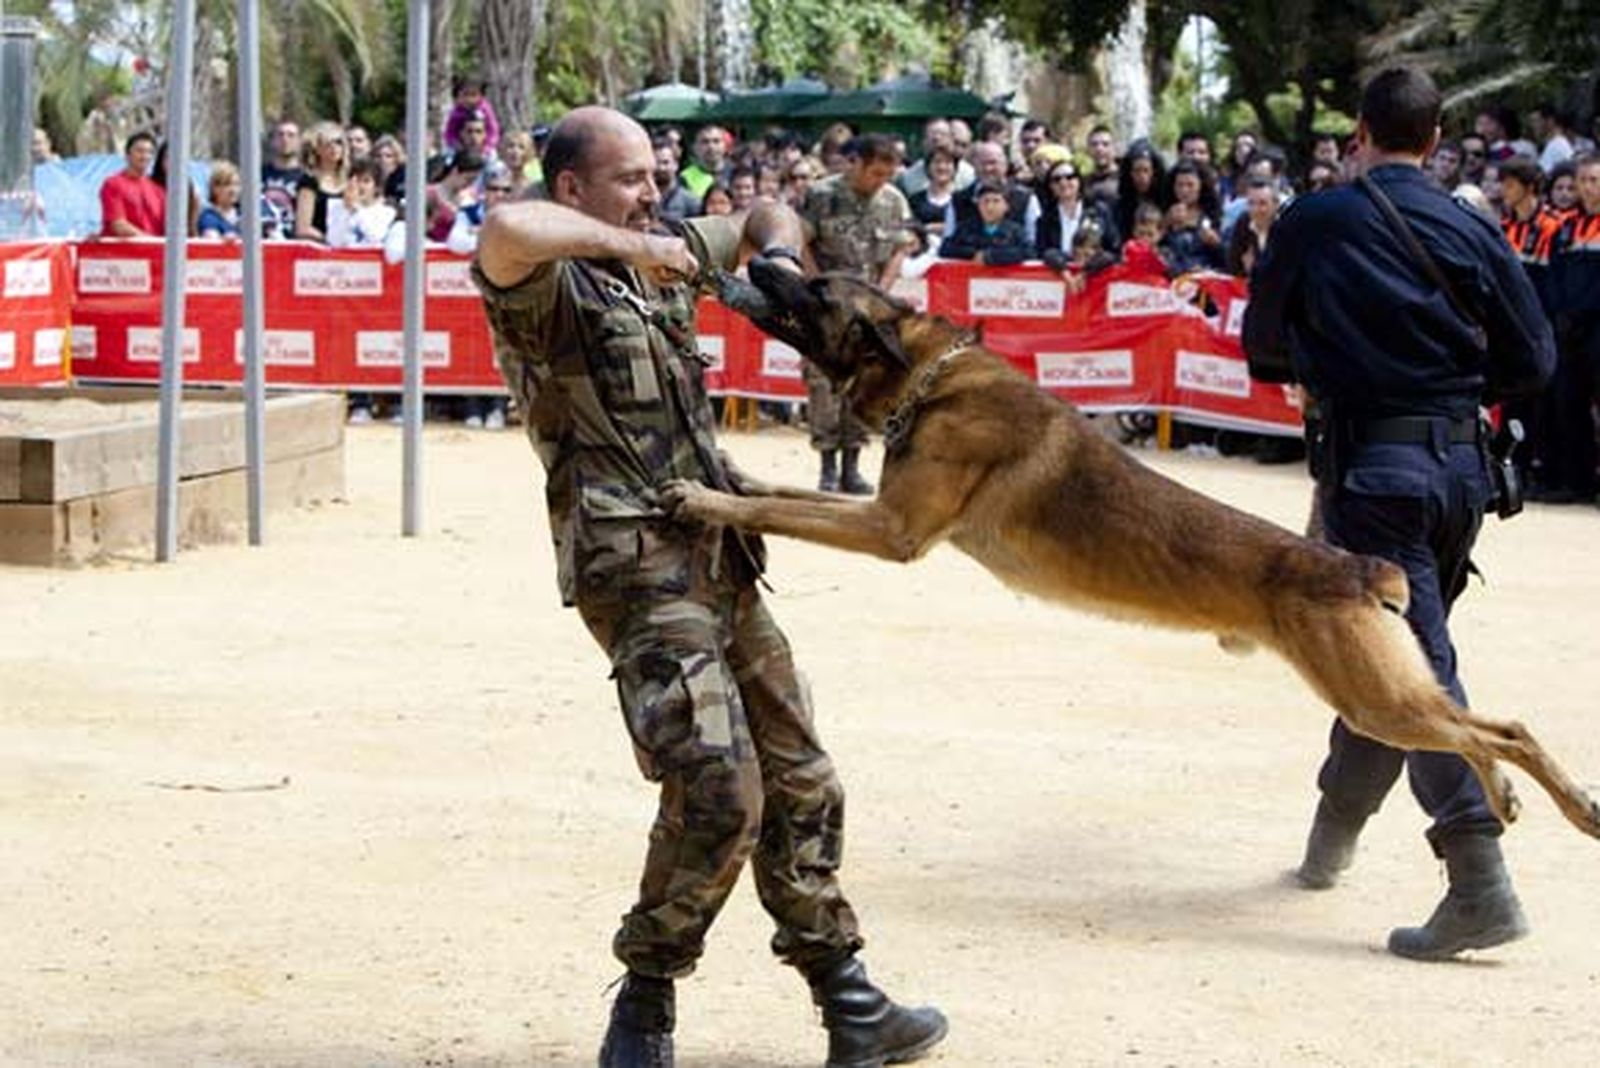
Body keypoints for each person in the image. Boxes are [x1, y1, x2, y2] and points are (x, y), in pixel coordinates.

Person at [471, 104, 947, 1068]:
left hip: (721, 553)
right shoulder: (546, 285)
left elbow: (766, 214)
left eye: (657, 176)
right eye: (631, 178)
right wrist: (637, 245)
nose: (655, 193)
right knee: (720, 789)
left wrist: (776, 258)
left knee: (802, 777)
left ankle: (847, 996)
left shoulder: (672, 244)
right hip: (636, 569)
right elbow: (504, 229)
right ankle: (645, 1003)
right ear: (573, 187)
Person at [1242, 65, 1556, 961]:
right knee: (1396, 658)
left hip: (1373, 475)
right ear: (1437, 136)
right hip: (1461, 475)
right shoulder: (1472, 223)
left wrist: (1335, 362)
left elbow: (1262, 346)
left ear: (1360, 132)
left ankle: (1478, 878)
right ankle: (1330, 841)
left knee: (1411, 677)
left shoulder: (1314, 219)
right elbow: (1533, 360)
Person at [800, 133, 912, 494]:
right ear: (856, 163)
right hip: (827, 309)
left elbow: (899, 249)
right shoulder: (821, 195)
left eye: (887, 175)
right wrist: (818, 286)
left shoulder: (893, 201)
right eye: (875, 172)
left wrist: (881, 293)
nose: (881, 181)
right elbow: (801, 242)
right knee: (823, 384)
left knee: (864, 382)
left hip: (868, 311)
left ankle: (852, 466)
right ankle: (827, 467)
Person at [1538, 152, 1600, 505]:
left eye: (1594, 181)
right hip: (1569, 331)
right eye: (1583, 181)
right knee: (1569, 404)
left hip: (1598, 329)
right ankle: (1577, 482)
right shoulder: (1565, 228)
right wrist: (1561, 314)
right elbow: (1553, 275)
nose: (1588, 188)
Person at [1032, 158, 1120, 265]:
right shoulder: (1045, 219)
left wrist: (1098, 261)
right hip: (1060, 273)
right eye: (1056, 179)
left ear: (1079, 181)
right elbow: (1041, 253)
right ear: (1050, 186)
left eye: (1069, 177)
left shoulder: (1099, 211)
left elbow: (1114, 249)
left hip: (1095, 272)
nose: (1063, 182)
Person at [939, 180, 1032, 265]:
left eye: (996, 201)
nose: (990, 207)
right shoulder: (966, 228)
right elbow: (945, 249)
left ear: (1006, 206)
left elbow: (1028, 252)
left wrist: (992, 256)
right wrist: (973, 253)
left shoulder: (1016, 230)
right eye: (985, 201)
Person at [99, 131, 164, 237]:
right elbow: (118, 226)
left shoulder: (158, 190)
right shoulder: (113, 184)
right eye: (139, 151)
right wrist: (150, 241)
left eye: (150, 152)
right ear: (127, 155)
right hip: (125, 248)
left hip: (154, 246)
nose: (145, 156)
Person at [294, 121, 349, 242]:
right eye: (327, 143)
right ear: (317, 149)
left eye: (338, 142)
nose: (334, 147)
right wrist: (330, 240)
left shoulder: (350, 179)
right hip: (317, 247)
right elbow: (302, 228)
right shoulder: (309, 181)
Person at [1226, 176, 1278, 277]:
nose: (1255, 210)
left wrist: (1256, 269)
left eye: (1262, 203)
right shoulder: (1244, 222)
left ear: (1275, 205)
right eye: (1251, 203)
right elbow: (1233, 265)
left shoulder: (1285, 225)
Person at [443, 76, 501, 155]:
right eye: (465, 94)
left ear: (481, 96)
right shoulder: (456, 111)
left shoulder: (485, 109)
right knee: (448, 154)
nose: (469, 99)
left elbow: (493, 130)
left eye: (473, 95)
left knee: (492, 155)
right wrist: (455, 144)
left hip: (483, 145)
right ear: (458, 95)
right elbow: (449, 132)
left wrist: (488, 145)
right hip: (460, 145)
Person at [680, 124, 731, 198]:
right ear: (695, 147)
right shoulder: (684, 178)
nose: (711, 146)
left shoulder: (736, 172)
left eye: (716, 141)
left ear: (725, 146)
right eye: (705, 142)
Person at [198, 161, 243, 238]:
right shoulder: (209, 217)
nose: (233, 190)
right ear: (215, 188)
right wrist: (224, 240)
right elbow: (211, 238)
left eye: (236, 184)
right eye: (227, 184)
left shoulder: (243, 214)